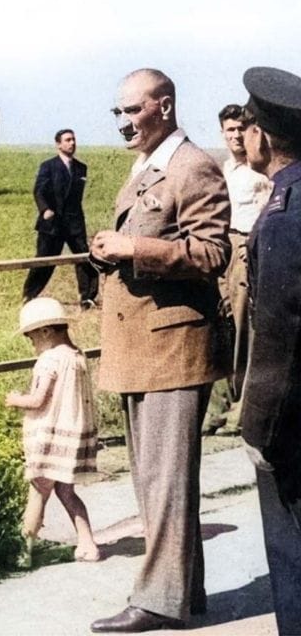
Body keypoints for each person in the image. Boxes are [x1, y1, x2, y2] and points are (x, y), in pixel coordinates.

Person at [88, 68, 231, 633]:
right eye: (118, 113)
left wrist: (134, 246)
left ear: (164, 107)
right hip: (142, 348)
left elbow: (213, 252)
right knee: (155, 479)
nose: (124, 124)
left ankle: (156, 600)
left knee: (166, 481)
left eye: (133, 111)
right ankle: (183, 594)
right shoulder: (148, 166)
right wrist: (110, 251)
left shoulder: (191, 166)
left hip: (173, 347)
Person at [237, 65, 301, 636]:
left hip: (294, 426)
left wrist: (257, 427)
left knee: (293, 563)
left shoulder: (283, 217)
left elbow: (279, 338)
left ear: (260, 134)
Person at [5, 297, 100, 567]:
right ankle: (88, 543)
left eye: (31, 337)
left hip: (50, 437)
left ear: (46, 331)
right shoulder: (77, 356)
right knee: (67, 492)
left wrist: (15, 400)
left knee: (38, 491)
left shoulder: (49, 360)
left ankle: (24, 550)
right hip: (71, 436)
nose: (32, 343)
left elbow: (38, 400)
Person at [203, 104, 273, 436]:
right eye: (230, 130)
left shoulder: (260, 173)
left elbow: (266, 215)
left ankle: (241, 411)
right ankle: (216, 409)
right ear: (222, 133)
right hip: (222, 247)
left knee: (245, 328)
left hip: (246, 247)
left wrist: (251, 247)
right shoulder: (225, 169)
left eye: (241, 129)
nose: (235, 136)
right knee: (221, 325)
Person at [23, 129, 99, 310]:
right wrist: (45, 209)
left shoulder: (81, 168)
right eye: (67, 140)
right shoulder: (48, 166)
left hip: (74, 223)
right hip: (52, 224)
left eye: (73, 140)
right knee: (44, 260)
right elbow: (39, 191)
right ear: (58, 144)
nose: (72, 143)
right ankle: (29, 295)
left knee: (84, 259)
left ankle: (88, 298)